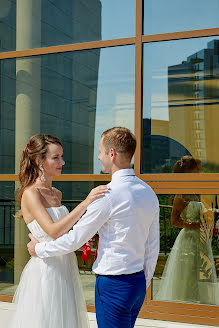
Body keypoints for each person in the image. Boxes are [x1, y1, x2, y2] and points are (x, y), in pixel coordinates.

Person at [28, 127, 160, 328]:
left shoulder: (107, 196)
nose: (98, 157)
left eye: (100, 152)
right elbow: (153, 244)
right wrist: (145, 280)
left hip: (113, 286)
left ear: (112, 154)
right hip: (137, 284)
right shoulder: (148, 192)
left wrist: (38, 249)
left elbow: (75, 239)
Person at [10, 134, 108, 328]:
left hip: (66, 266)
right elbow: (54, 231)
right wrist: (87, 202)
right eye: (56, 157)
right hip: (46, 270)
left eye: (62, 156)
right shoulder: (31, 193)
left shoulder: (57, 193)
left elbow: (62, 233)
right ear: (39, 161)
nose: (62, 162)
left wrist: (82, 241)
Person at [154, 156, 218, 305]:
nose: (199, 175)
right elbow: (174, 221)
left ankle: (202, 303)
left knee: (201, 272)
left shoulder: (196, 192)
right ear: (187, 173)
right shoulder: (181, 195)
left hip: (201, 239)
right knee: (188, 272)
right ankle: (186, 305)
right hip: (188, 239)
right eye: (196, 172)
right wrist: (193, 225)